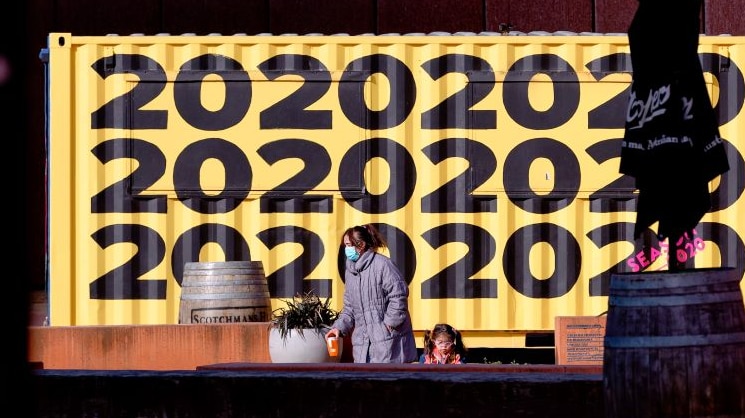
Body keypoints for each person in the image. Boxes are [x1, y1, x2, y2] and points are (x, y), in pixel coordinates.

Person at [325, 224, 417, 363]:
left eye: (349, 245)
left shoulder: (382, 265)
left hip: (389, 344)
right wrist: (338, 328)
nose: (346, 249)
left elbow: (398, 295)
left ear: (361, 245)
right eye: (345, 246)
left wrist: (389, 324)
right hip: (362, 346)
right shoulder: (350, 272)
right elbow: (349, 308)